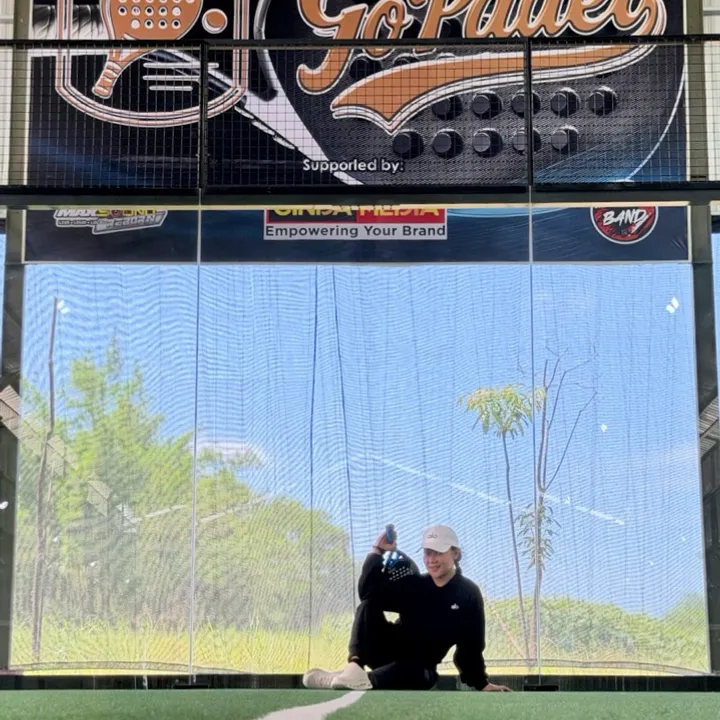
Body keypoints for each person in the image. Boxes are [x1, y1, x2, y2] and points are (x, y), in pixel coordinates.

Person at [303, 524, 511, 692]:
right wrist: (377, 551)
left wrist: (481, 683)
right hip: (385, 652)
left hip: (417, 668)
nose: (431, 560)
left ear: (455, 553)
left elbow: (471, 646)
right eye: (428, 553)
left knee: (419, 672)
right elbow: (367, 592)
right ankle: (354, 668)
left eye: (438, 553)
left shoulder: (468, 594)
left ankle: (352, 680)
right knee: (369, 604)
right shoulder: (415, 584)